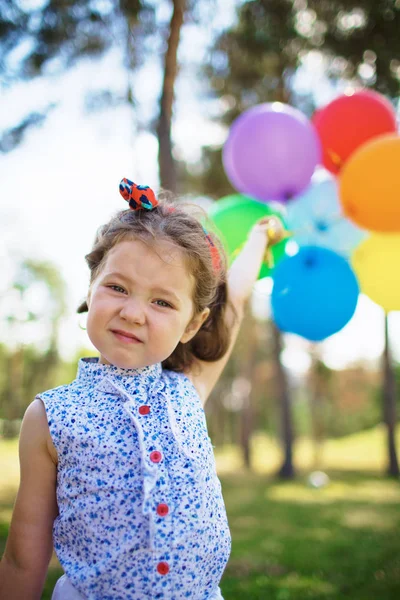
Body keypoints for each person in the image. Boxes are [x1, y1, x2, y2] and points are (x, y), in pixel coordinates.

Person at [0, 179, 285, 600]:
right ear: (91, 289)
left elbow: (236, 299)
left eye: (162, 302)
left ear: (192, 324)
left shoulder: (189, 388)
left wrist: (260, 237)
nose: (132, 313)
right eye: (117, 288)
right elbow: (24, 553)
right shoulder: (50, 416)